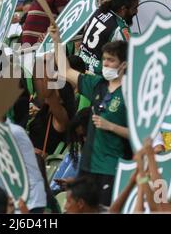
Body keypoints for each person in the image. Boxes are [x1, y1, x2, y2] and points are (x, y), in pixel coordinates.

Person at [50, 25, 131, 207]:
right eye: (104, 60)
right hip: (88, 167)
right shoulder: (97, 84)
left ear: (124, 64)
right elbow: (65, 71)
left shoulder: (132, 94)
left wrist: (112, 127)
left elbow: (140, 135)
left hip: (112, 168)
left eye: (111, 60)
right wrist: (57, 41)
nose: (105, 64)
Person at [78, 0, 138, 75]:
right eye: (135, 8)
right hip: (96, 74)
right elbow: (132, 57)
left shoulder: (98, 11)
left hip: (80, 62)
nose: (136, 11)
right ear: (123, 9)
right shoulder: (120, 29)